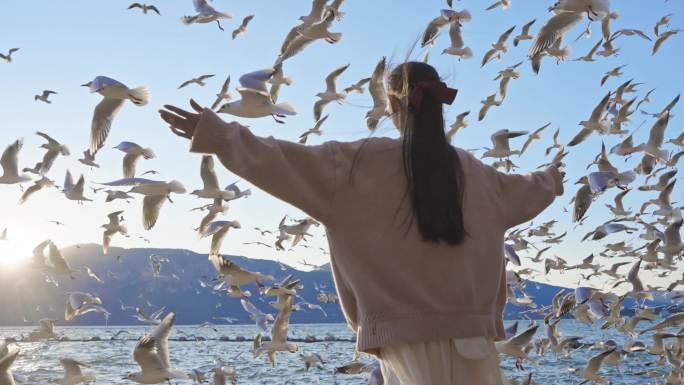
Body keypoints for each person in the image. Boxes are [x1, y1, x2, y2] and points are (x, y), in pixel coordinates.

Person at [159, 61, 563, 385]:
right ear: (439, 102)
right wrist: (552, 176)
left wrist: (217, 134)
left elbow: (278, 160)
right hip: (476, 345)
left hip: (404, 348)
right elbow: (532, 188)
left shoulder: (352, 166)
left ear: (391, 103)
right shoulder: (480, 175)